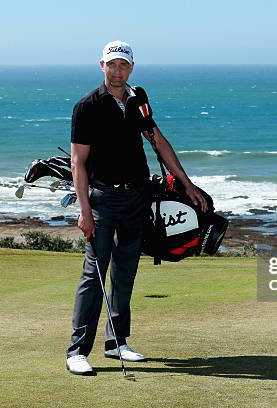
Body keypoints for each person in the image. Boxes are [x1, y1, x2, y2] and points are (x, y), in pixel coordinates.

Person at [65, 40, 207, 375]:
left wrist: (186, 184)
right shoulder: (87, 106)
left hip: (136, 198)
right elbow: (78, 162)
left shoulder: (137, 101)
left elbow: (157, 141)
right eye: (112, 65)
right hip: (103, 199)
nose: (117, 71)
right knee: (94, 272)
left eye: (123, 65)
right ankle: (77, 351)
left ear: (131, 67)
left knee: (125, 270)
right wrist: (84, 211)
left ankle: (117, 342)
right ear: (101, 65)